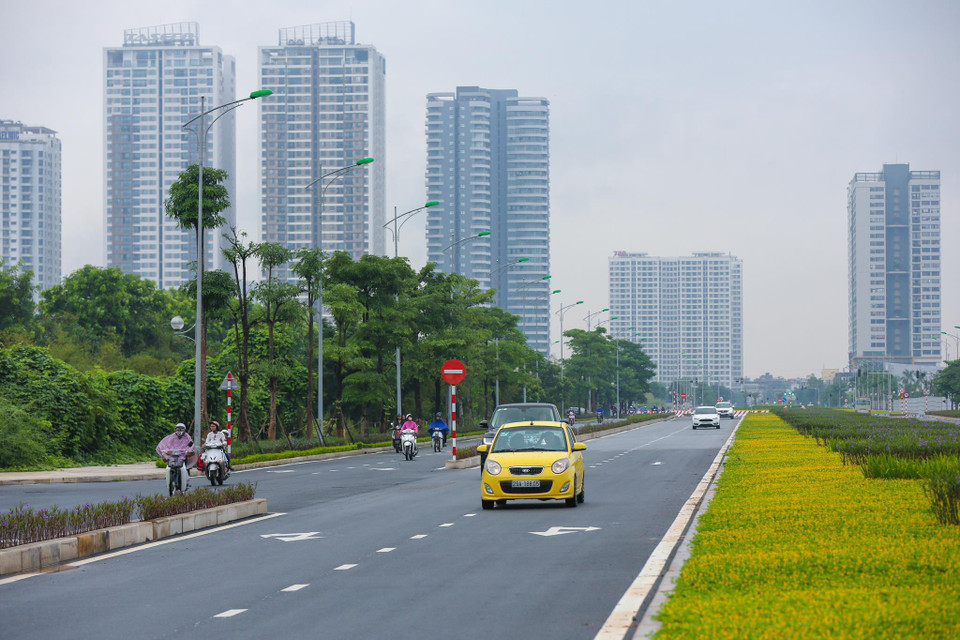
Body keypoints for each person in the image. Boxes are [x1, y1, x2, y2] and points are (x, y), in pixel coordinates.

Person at [156, 423, 196, 491]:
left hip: (183, 456)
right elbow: (163, 444)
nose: (179, 431)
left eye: (181, 430)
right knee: (169, 466)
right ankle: (168, 479)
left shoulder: (187, 438)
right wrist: (166, 451)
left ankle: (186, 480)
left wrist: (189, 451)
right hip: (172, 456)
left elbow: (191, 446)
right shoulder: (171, 437)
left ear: (184, 430)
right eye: (178, 429)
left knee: (186, 468)